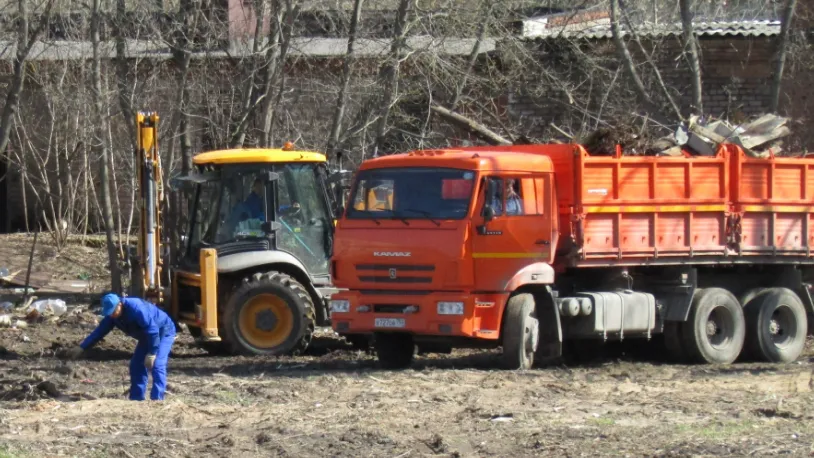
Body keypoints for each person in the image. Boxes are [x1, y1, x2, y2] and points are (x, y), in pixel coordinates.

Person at [65, 293, 177, 401]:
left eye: (113, 311)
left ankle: (157, 400)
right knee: (136, 365)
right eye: (109, 313)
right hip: (146, 335)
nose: (112, 314)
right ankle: (137, 399)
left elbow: (153, 331)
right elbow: (99, 332)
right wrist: (82, 347)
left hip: (163, 330)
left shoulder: (137, 309)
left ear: (119, 304)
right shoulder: (113, 316)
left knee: (157, 364)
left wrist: (152, 353)